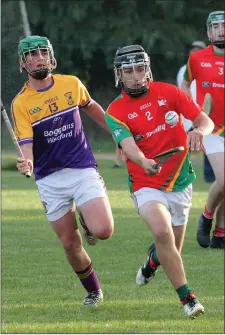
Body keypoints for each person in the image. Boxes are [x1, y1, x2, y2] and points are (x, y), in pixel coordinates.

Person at [105, 44, 214, 318]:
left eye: (140, 69)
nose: (135, 76)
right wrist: (144, 162)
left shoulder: (169, 93)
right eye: (128, 71)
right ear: (119, 74)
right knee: (162, 232)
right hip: (146, 183)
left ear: (148, 69)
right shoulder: (115, 110)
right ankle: (188, 299)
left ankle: (153, 261)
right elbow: (129, 148)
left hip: (180, 181)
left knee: (170, 251)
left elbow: (205, 120)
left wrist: (199, 131)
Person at [12, 35, 114, 306]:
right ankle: (94, 291)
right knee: (70, 244)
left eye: (42, 52)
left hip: (81, 168)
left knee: (103, 230)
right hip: (49, 178)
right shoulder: (21, 103)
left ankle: (87, 213)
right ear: (23, 63)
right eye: (31, 55)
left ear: (51, 55)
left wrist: (119, 136)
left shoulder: (71, 84)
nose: (38, 58)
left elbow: (93, 109)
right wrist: (27, 161)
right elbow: (25, 144)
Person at [181, 11, 225, 249]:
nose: (220, 30)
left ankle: (220, 234)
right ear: (209, 32)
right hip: (212, 129)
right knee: (224, 178)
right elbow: (186, 84)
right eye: (216, 26)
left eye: (224, 26)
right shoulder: (197, 59)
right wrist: (192, 112)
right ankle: (207, 217)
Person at [177, 41, 215, 184]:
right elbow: (184, 91)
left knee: (208, 143)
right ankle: (180, 174)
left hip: (206, 113)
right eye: (193, 49)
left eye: (198, 49)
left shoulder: (209, 68)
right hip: (189, 113)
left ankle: (211, 176)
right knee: (185, 146)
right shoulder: (183, 70)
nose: (195, 52)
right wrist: (193, 113)